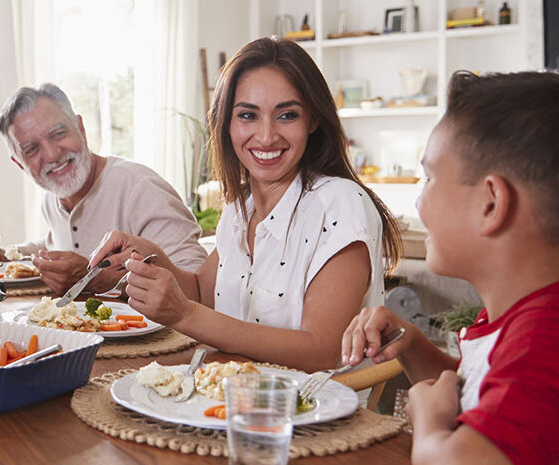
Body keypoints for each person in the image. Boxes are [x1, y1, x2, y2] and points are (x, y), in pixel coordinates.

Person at [343, 71, 559, 465]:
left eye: (428, 180)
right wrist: (411, 346)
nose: (419, 204)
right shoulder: (541, 312)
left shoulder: (553, 334)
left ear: (490, 204)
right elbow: (488, 395)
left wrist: (426, 421)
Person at [88, 37, 402, 373]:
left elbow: (322, 349)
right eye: (248, 115)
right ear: (226, 123)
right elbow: (202, 294)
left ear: (313, 120)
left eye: (287, 115)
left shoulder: (341, 204)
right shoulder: (242, 208)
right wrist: (147, 255)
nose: (266, 136)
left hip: (308, 412)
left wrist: (184, 315)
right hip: (230, 396)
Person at [0, 83, 208, 296]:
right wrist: (15, 254)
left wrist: (101, 281)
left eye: (58, 133)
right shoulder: (52, 197)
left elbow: (198, 291)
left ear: (80, 127)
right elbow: (55, 241)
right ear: (19, 163)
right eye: (32, 149)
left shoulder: (141, 188)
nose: (52, 154)